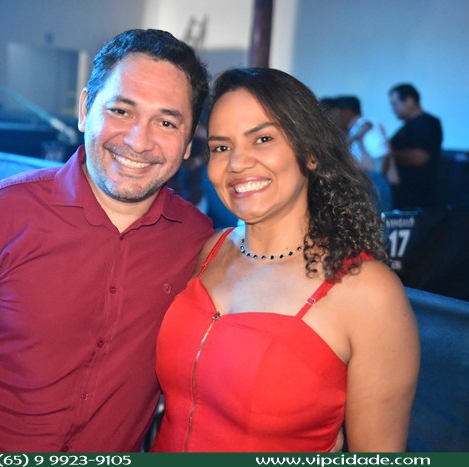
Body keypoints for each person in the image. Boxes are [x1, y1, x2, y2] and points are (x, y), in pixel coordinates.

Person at [0, 29, 214, 452]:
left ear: (188, 142)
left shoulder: (197, 240)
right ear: (84, 110)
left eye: (166, 122)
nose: (139, 141)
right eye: (121, 111)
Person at [150, 68, 420, 452]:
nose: (237, 163)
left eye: (262, 139)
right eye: (221, 147)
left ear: (310, 154)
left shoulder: (367, 292)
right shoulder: (211, 250)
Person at [332, 95, 395, 212]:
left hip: (372, 183)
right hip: (367, 181)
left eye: (335, 113)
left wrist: (375, 182)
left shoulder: (367, 125)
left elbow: (381, 155)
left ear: (346, 112)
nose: (334, 118)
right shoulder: (356, 129)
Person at [388, 83, 443, 210]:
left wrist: (387, 152)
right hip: (406, 195)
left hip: (418, 197)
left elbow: (420, 158)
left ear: (409, 101)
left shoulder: (427, 123)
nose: (393, 110)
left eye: (394, 104)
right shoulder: (407, 126)